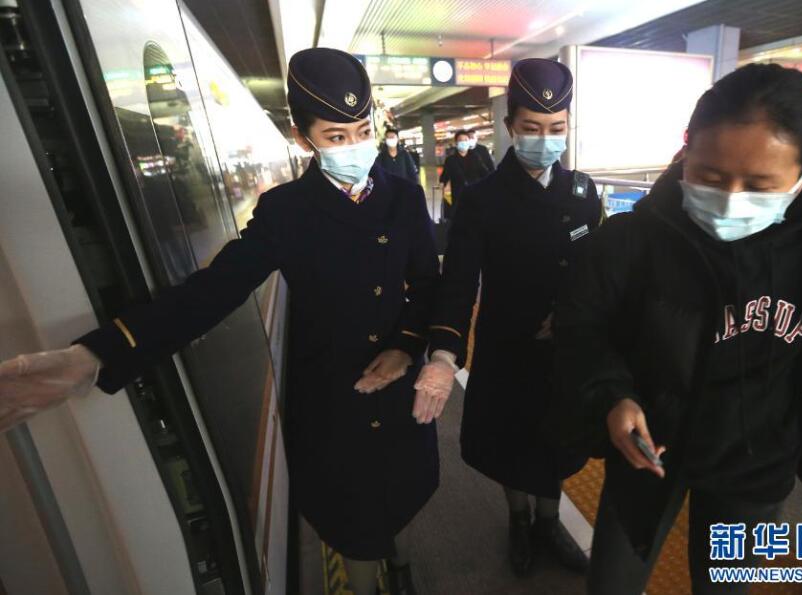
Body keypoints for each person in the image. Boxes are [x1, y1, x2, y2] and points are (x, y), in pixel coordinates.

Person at [0, 48, 440, 595]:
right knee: (353, 517)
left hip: (398, 384)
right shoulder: (286, 211)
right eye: (335, 136)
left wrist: (406, 346)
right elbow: (212, 292)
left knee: (400, 492)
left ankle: (398, 563)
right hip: (333, 395)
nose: (355, 147)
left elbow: (427, 286)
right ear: (303, 138)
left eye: (362, 130)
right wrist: (95, 355)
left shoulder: (404, 197)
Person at [549, 63, 802, 594]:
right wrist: (612, 396)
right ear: (685, 151)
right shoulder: (632, 239)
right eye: (709, 176)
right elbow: (581, 326)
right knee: (613, 583)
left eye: (759, 185)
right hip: (647, 448)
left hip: (758, 460)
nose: (731, 198)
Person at [413, 58, 603, 577]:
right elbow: (458, 282)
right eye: (532, 128)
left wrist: (573, 316)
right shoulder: (482, 200)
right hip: (506, 347)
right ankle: (519, 520)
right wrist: (444, 354)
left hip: (564, 349)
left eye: (556, 128)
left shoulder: (583, 193)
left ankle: (549, 522)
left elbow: (597, 270)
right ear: (510, 126)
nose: (545, 139)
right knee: (511, 442)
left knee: (558, 441)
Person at [438, 130, 492, 220]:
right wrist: (442, 182)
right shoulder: (451, 160)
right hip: (458, 195)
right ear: (456, 143)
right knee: (460, 218)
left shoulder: (475, 157)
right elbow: (445, 175)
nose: (463, 142)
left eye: (466, 140)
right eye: (460, 140)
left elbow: (484, 172)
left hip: (474, 194)